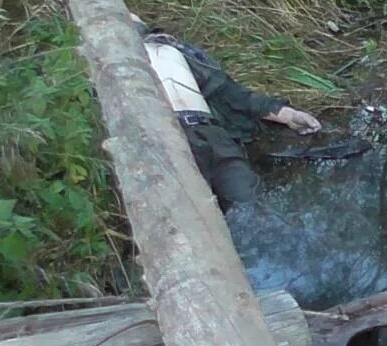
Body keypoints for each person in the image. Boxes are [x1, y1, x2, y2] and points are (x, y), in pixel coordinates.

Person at [130, 12, 321, 209]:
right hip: (167, 141)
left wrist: (288, 115)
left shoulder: (177, 51)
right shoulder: (117, 78)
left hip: (213, 135)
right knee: (194, 212)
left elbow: (232, 95)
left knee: (251, 204)